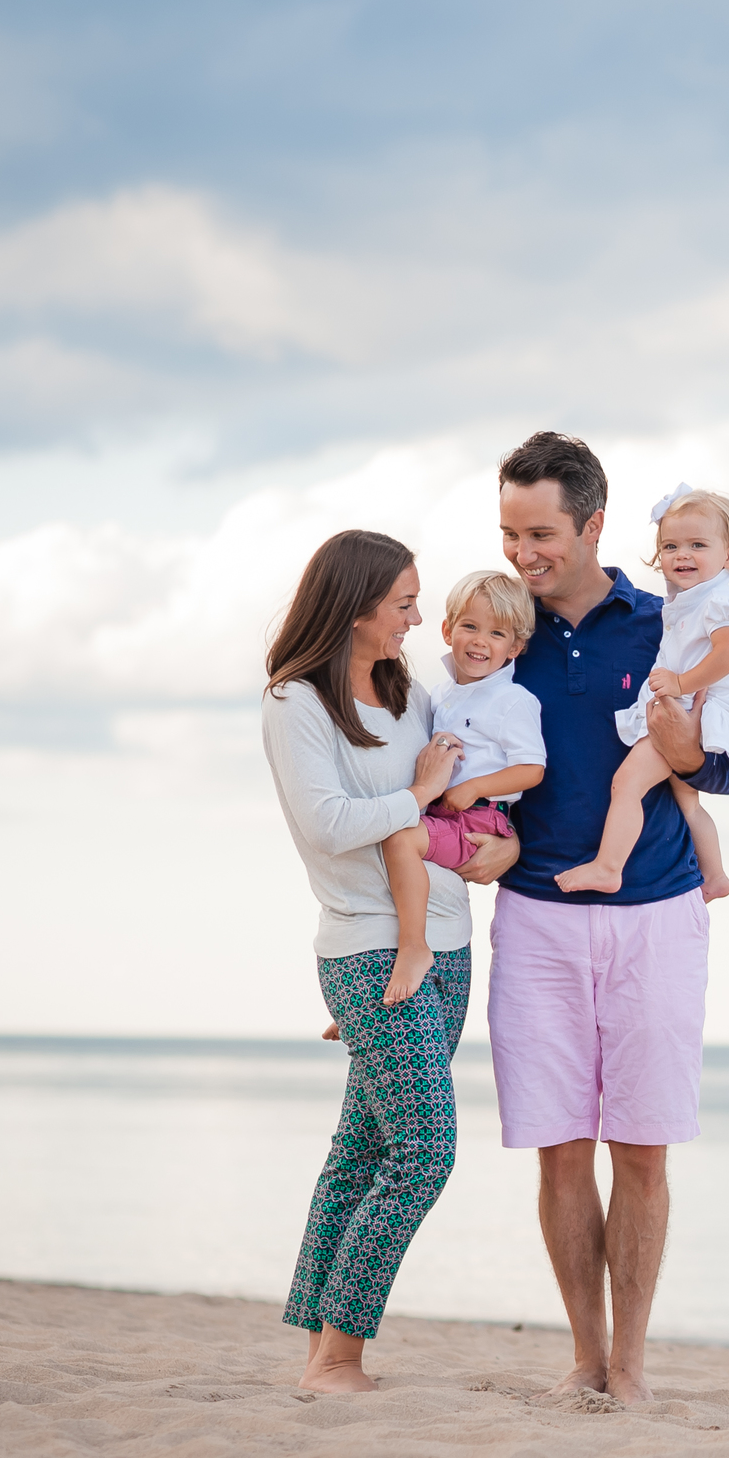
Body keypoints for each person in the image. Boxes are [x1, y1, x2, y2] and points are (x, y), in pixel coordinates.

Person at [487, 431, 729, 1402]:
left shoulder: (671, 617)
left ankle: (632, 1370)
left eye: (542, 532)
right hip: (535, 914)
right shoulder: (494, 632)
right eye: (511, 532)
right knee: (559, 1146)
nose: (525, 553)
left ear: (593, 524)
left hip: (656, 911)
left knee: (641, 1146)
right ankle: (584, 1360)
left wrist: (682, 737)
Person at [258, 529, 513, 1393]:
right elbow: (329, 824)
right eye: (404, 601)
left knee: (361, 1150)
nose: (418, 617)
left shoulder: (408, 692)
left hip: (449, 948)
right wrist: (418, 792)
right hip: (372, 946)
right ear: (356, 603)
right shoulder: (297, 703)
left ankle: (319, 1355)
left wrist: (500, 852)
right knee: (423, 1152)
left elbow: (455, 812)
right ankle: (338, 1358)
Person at [554, 484, 729, 901]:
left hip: (683, 709)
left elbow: (728, 656)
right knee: (689, 805)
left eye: (698, 545)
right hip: (681, 705)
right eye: (670, 545)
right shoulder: (688, 602)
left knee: (626, 784)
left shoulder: (718, 602)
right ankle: (715, 876)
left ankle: (609, 867)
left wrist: (680, 684)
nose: (682, 555)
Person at [377, 569, 548, 1003]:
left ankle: (414, 950)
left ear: (516, 647)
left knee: (399, 842)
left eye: (496, 633)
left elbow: (532, 769)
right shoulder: (440, 695)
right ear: (447, 629)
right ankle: (364, 998)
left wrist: (473, 789)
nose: (480, 641)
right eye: (470, 626)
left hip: (477, 818)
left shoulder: (513, 702)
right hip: (443, 812)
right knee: (383, 869)